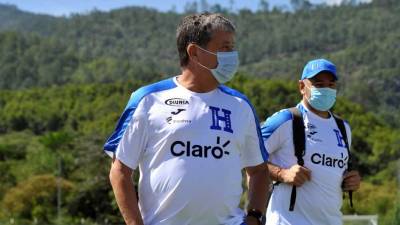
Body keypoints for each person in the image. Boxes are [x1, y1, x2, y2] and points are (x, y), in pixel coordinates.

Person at [104, 13, 270, 225]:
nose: (233, 55)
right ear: (194, 52)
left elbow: (258, 170)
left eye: (232, 47)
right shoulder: (148, 99)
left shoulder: (240, 105)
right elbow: (120, 171)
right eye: (225, 47)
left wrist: (255, 217)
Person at [261, 58, 361, 225]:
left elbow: (332, 173)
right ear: (302, 87)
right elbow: (248, 155)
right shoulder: (286, 119)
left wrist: (350, 181)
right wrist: (282, 174)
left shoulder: (344, 128)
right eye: (319, 84)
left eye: (331, 85)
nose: (326, 89)